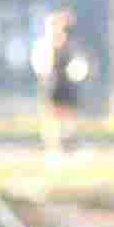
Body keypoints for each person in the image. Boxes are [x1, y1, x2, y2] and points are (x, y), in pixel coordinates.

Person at [36, 8, 92, 149]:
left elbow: (79, 64)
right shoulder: (46, 45)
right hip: (52, 82)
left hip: (67, 84)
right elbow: (42, 65)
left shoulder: (72, 46)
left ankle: (69, 141)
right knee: (53, 114)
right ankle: (53, 143)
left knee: (68, 114)